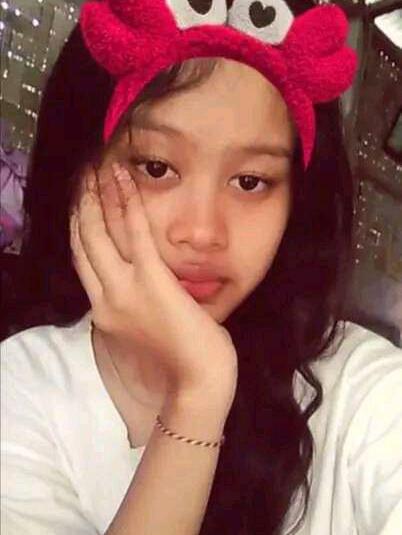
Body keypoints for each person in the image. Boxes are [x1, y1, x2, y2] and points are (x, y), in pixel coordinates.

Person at [1, 1, 401, 534]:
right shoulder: (21, 386)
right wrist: (200, 393)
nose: (203, 232)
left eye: (251, 181)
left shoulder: (361, 386)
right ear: (79, 173)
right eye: (156, 167)